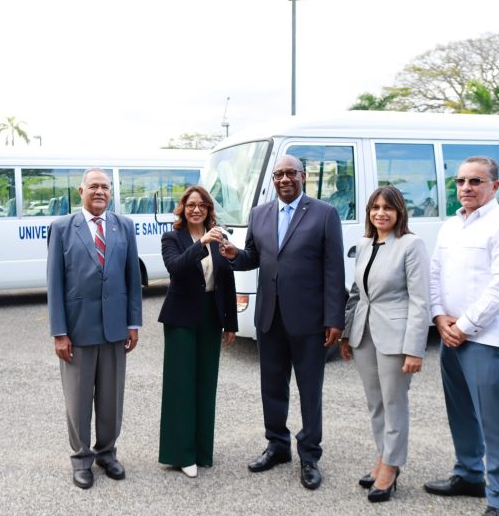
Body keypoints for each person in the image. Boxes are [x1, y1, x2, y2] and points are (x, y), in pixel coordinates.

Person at [220, 155, 346, 490]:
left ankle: (309, 454)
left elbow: (335, 270)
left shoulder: (324, 214)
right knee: (272, 387)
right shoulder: (259, 214)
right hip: (270, 318)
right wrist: (234, 255)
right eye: (279, 174)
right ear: (273, 180)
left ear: (303, 176)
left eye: (291, 173)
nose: (284, 179)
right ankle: (277, 446)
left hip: (309, 321)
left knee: (309, 391)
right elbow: (254, 258)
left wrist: (335, 318)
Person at [424, 156, 499, 516]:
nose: (466, 188)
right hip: (451, 335)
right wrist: (439, 318)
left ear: (495, 186)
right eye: (461, 181)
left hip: (489, 340)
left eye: (475, 181)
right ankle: (469, 475)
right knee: (461, 413)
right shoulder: (451, 226)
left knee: (495, 422)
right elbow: (435, 274)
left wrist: (463, 325)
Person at [46, 168, 142, 490]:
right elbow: (54, 283)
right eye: (94, 186)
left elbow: (132, 280)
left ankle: (107, 453)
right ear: (81, 190)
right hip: (78, 331)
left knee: (111, 399)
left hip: (115, 329)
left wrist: (133, 323)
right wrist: (59, 332)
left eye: (105, 187)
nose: (100, 191)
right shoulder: (61, 228)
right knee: (78, 399)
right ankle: (81, 459)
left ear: (110, 193)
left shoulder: (124, 226)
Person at [340, 186, 430, 502]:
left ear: (399, 212)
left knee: (394, 403)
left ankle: (390, 467)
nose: (381, 213)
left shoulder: (411, 244)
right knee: (375, 403)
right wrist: (346, 334)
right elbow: (355, 293)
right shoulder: (364, 244)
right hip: (364, 334)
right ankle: (382, 457)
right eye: (375, 207)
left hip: (396, 336)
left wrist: (415, 348)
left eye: (387, 208)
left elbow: (420, 300)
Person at [157, 186, 238, 478]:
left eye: (202, 205)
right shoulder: (172, 238)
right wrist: (201, 243)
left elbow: (226, 280)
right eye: (191, 204)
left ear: (209, 209)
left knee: (206, 385)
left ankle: (202, 451)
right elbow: (175, 267)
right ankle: (181, 454)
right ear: (183, 208)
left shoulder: (220, 238)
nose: (196, 209)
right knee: (181, 387)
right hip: (180, 318)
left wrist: (231, 323)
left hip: (210, 316)